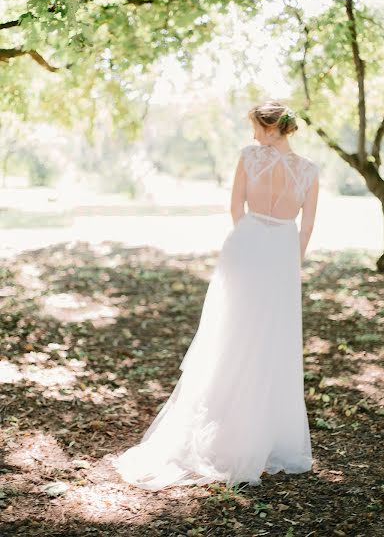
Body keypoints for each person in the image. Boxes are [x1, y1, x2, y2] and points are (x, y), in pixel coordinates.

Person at [112, 100, 320, 491]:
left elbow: (235, 207)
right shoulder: (309, 171)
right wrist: (289, 263)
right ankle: (259, 432)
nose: (254, 136)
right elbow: (306, 228)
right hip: (282, 258)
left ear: (272, 128)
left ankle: (228, 426)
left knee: (230, 335)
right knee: (269, 341)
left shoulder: (249, 158)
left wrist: (250, 243)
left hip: (245, 246)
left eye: (257, 128)